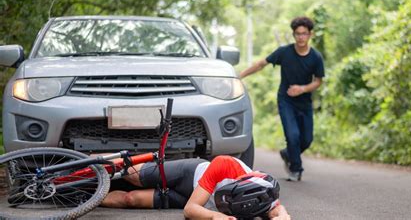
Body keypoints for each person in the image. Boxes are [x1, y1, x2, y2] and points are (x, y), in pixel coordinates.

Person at [240, 16, 325, 181]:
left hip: (305, 102)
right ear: (294, 35)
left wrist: (302, 89)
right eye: (298, 34)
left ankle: (288, 154)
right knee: (292, 136)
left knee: (306, 140)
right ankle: (296, 169)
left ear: (310, 35)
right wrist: (239, 76)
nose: (301, 37)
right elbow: (261, 64)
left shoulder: (315, 57)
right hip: (286, 101)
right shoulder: (284, 52)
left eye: (304, 34)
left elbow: (318, 81)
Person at [101, 155, 290, 219]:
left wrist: (282, 216)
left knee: (131, 199)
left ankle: (86, 198)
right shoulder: (225, 164)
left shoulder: (261, 192)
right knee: (132, 173)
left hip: (195, 200)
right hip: (190, 176)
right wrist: (216, 215)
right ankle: (88, 163)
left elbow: (278, 210)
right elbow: (190, 211)